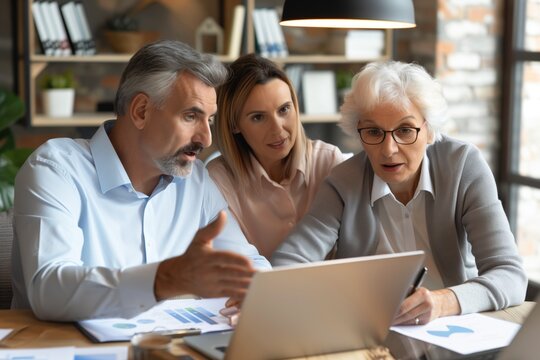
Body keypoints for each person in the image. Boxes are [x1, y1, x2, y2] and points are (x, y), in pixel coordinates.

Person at [11, 40, 270, 321]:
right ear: (141, 111)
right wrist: (165, 280)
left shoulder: (195, 180)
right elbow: (49, 289)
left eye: (209, 120)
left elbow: (249, 264)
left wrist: (253, 290)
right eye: (191, 116)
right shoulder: (55, 169)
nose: (206, 139)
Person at [271, 61, 527, 325]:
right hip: (371, 329)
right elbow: (287, 264)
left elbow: (509, 275)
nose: (389, 149)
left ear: (428, 130)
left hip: (455, 328)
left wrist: (442, 302)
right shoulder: (343, 181)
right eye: (373, 132)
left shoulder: (463, 166)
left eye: (405, 130)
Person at [207, 54, 345, 258]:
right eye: (258, 117)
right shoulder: (218, 181)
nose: (277, 129)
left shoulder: (329, 161)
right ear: (234, 124)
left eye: (284, 109)